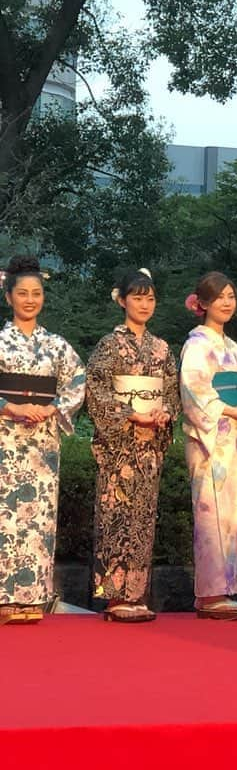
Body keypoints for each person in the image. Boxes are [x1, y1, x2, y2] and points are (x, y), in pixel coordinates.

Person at [87, 269, 180, 622]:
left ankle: (137, 594)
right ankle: (112, 598)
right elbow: (96, 390)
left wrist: (163, 414)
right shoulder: (109, 345)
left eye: (150, 298)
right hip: (118, 446)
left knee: (142, 518)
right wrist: (130, 414)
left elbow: (171, 393)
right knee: (114, 516)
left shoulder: (162, 348)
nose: (144, 304)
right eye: (137, 297)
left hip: (148, 446)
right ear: (122, 300)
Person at [0, 256, 85, 625]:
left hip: (41, 445)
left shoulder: (57, 346)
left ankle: (33, 598)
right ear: (8, 297)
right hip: (5, 439)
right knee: (6, 518)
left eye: (36, 293)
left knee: (38, 519)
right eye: (22, 293)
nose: (30, 299)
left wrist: (52, 410)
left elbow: (77, 381)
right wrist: (11, 406)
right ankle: (4, 598)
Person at [180, 272, 237, 620]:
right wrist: (231, 407)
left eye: (231, 296)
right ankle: (210, 592)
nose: (227, 302)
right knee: (210, 512)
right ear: (202, 304)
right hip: (208, 437)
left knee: (232, 511)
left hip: (232, 435)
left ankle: (225, 588)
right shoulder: (197, 344)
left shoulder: (232, 347)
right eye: (219, 297)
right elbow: (194, 391)